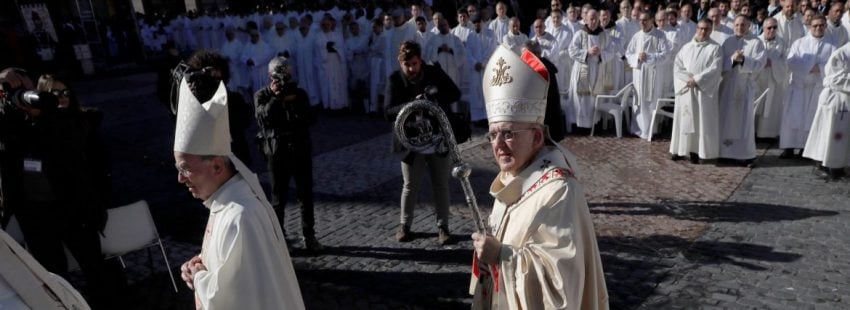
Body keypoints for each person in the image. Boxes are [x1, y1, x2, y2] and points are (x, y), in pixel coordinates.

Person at [470, 44, 608, 310]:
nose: (498, 144)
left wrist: (501, 255)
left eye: (508, 133)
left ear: (536, 137)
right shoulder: (512, 175)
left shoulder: (559, 190)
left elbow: (561, 283)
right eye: (493, 134)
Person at [173, 67, 305, 309]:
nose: (181, 179)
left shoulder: (241, 215)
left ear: (216, 167)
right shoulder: (221, 202)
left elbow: (236, 298)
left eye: (185, 169)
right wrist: (200, 262)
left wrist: (198, 277)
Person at [18, 73, 125, 309]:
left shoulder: (80, 122)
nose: (62, 97)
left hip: (78, 210)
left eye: (66, 92)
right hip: (42, 214)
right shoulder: (29, 126)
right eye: (54, 93)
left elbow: (93, 164)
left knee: (94, 269)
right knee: (53, 273)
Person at [384, 41, 461, 245]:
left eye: (415, 63)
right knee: (410, 185)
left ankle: (443, 227)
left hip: (437, 138)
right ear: (400, 63)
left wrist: (434, 97)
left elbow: (455, 93)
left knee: (441, 184)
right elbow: (387, 112)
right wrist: (412, 104)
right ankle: (404, 225)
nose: (411, 69)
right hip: (410, 142)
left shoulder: (433, 72)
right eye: (407, 65)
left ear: (420, 60)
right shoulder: (394, 79)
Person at [253, 56, 322, 251]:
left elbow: (310, 118)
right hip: (277, 151)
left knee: (305, 195)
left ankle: (309, 236)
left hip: (300, 148)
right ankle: (279, 239)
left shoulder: (299, 93)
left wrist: (294, 103)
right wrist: (276, 98)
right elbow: (263, 118)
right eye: (279, 73)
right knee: (278, 198)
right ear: (270, 75)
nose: (283, 78)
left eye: (286, 73)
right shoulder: (262, 95)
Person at [780, 15, 836, 158]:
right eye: (815, 25)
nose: (818, 28)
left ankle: (806, 149)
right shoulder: (799, 43)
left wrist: (821, 68)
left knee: (811, 119)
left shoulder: (832, 47)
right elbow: (791, 61)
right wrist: (810, 66)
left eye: (821, 25)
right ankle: (789, 147)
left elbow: (834, 67)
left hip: (817, 89)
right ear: (809, 26)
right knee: (793, 117)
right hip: (799, 87)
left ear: (825, 26)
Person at [669, 18, 723, 163]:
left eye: (706, 29)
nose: (703, 31)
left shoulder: (715, 48)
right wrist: (688, 79)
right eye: (700, 28)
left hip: (702, 92)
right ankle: (679, 150)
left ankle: (697, 152)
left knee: (700, 122)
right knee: (683, 119)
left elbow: (715, 69)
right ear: (696, 29)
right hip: (687, 89)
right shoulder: (686, 47)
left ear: (711, 30)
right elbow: (677, 66)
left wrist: (697, 79)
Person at [718, 16, 766, 166]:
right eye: (737, 24)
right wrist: (732, 60)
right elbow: (719, 63)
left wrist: (744, 60)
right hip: (728, 85)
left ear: (749, 26)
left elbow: (760, 64)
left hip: (745, 86)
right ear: (734, 26)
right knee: (726, 118)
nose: (740, 27)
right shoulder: (728, 41)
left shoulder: (756, 42)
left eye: (743, 25)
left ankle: (746, 154)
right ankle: (724, 152)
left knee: (744, 121)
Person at [803, 42, 850, 179]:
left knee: (842, 136)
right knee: (827, 134)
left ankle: (838, 165)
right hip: (835, 100)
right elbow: (834, 79)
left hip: (846, 100)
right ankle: (820, 165)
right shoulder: (841, 54)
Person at [568, 9, 617, 132]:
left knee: (593, 98)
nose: (594, 21)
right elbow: (571, 51)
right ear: (586, 19)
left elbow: (612, 52)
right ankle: (578, 126)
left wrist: (601, 53)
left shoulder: (604, 35)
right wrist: (587, 52)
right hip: (582, 70)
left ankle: (593, 124)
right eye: (591, 18)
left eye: (596, 18)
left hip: (597, 70)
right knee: (580, 99)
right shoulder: (580, 34)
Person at [625, 11, 672, 140]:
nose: (643, 23)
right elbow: (628, 54)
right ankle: (638, 130)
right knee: (639, 101)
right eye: (640, 20)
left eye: (645, 20)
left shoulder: (660, 35)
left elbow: (666, 54)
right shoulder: (636, 36)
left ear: (652, 20)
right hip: (639, 74)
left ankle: (651, 130)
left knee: (650, 102)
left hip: (653, 76)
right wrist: (637, 57)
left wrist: (650, 56)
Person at [755, 17, 789, 139]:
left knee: (772, 107)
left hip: (774, 79)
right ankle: (753, 132)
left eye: (775, 27)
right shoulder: (756, 41)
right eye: (769, 27)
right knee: (756, 105)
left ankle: (768, 134)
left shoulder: (782, 43)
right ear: (763, 28)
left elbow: (787, 61)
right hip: (758, 79)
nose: (772, 30)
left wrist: (774, 63)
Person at [314, 15, 349, 111]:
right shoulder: (318, 36)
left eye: (328, 24)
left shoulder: (337, 34)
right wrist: (327, 47)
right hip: (325, 64)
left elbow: (340, 46)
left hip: (336, 62)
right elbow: (319, 47)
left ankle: (339, 105)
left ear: (331, 24)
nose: (326, 26)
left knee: (337, 83)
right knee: (327, 84)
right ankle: (328, 105)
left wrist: (330, 47)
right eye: (324, 24)